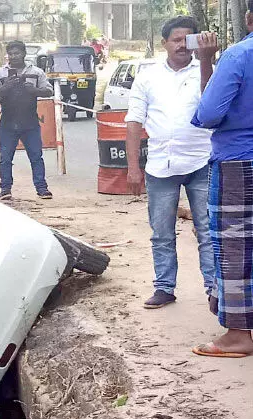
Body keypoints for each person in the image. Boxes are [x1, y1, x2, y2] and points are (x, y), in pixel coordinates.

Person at [125, 16, 217, 311]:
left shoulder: (208, 70)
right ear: (164, 43)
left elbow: (211, 106)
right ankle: (164, 287)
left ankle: (214, 289)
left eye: (188, 39)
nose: (182, 45)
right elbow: (134, 122)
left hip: (201, 161)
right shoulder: (148, 76)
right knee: (161, 232)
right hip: (160, 166)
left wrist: (205, 61)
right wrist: (133, 169)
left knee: (207, 230)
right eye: (176, 40)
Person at [190, 0, 253, 358]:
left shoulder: (238, 56)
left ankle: (238, 335)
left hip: (240, 162)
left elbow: (209, 114)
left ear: (248, 18)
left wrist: (206, 62)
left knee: (235, 245)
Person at [0, 40, 54, 200]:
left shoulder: (36, 72)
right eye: (10, 54)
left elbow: (49, 91)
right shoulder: (0, 74)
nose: (13, 57)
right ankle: (5, 189)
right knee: (5, 158)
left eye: (17, 53)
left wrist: (35, 91)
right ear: (7, 55)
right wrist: (5, 88)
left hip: (30, 122)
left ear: (24, 54)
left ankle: (42, 188)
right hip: (7, 122)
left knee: (36, 156)